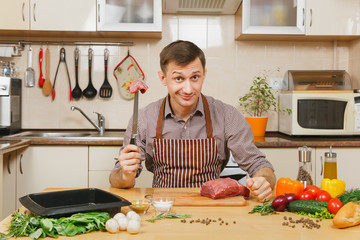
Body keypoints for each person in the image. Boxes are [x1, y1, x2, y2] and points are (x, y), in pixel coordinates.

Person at [110, 40, 276, 202]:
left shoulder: (227, 115)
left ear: (204, 74)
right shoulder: (144, 119)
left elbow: (258, 164)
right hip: (162, 209)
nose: (188, 89)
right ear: (163, 78)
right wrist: (125, 175)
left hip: (212, 207)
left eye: (195, 77)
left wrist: (264, 181)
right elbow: (116, 179)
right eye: (179, 79)